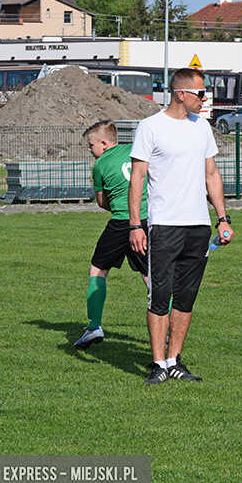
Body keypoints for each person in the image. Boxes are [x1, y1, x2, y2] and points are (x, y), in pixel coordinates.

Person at [128, 67, 235, 385]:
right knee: (159, 297)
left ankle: (174, 360)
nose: (205, 99)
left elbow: (211, 175)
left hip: (198, 228)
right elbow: (137, 178)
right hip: (164, 226)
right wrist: (136, 225)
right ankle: (158, 363)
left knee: (186, 298)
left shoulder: (202, 128)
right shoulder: (150, 127)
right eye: (201, 93)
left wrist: (223, 218)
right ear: (181, 94)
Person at [75, 120, 149, 350]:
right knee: (151, 276)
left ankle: (94, 326)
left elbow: (101, 202)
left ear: (104, 144)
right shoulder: (135, 150)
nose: (90, 149)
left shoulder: (100, 165)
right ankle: (165, 328)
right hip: (147, 221)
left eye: (91, 144)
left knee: (98, 269)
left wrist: (119, 207)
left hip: (121, 223)